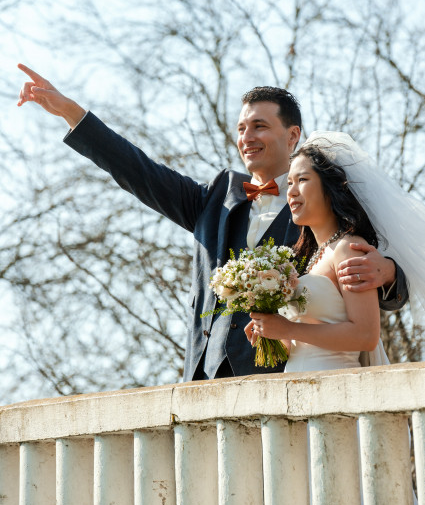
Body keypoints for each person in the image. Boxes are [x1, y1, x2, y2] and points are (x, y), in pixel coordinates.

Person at [16, 64, 407, 381]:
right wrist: (72, 113)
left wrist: (388, 271)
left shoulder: (321, 208)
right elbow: (140, 171)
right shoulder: (215, 197)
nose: (246, 137)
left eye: (259, 126)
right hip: (203, 378)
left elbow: (369, 274)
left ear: (293, 136)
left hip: (284, 379)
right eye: (241, 128)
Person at [245, 133, 425, 372]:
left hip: (335, 386)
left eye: (302, 180)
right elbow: (301, 344)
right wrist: (271, 330)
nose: (292, 191)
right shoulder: (308, 260)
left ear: (330, 188)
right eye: (289, 183)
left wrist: (289, 329)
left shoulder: (349, 248)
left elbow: (365, 335)